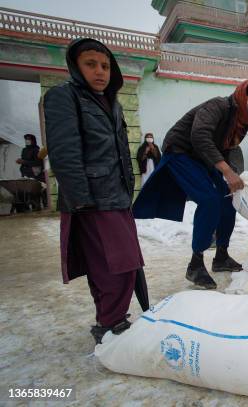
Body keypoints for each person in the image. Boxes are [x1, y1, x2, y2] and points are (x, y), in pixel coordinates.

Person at [43, 38, 146, 344]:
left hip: (116, 196)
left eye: (104, 65)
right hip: (92, 199)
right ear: (75, 66)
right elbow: (64, 152)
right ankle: (111, 323)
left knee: (121, 264)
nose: (100, 71)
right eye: (90, 64)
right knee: (116, 266)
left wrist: (128, 189)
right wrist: (81, 199)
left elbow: (120, 151)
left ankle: (111, 319)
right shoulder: (64, 96)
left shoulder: (110, 102)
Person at [133, 80, 248, 289]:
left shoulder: (239, 122)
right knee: (209, 200)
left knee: (227, 199)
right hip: (181, 152)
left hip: (202, 158)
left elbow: (224, 149)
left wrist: (229, 175)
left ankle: (221, 256)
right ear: (241, 95)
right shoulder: (218, 106)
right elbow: (200, 136)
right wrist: (227, 171)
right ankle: (195, 264)